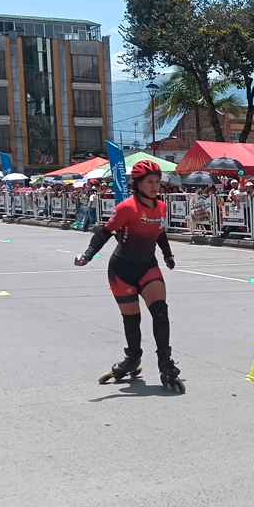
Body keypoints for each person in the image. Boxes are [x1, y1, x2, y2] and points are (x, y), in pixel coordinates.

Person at [74, 160, 183, 391]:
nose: (155, 187)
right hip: (121, 270)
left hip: (148, 267)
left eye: (157, 182)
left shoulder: (161, 207)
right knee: (132, 319)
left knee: (161, 312)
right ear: (138, 184)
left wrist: (168, 255)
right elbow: (104, 233)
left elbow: (160, 233)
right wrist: (88, 255)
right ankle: (133, 358)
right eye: (149, 182)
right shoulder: (127, 207)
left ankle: (166, 364)